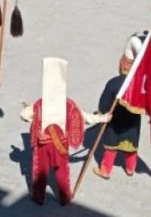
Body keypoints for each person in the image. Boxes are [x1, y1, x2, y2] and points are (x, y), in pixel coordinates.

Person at [20, 57, 106, 205]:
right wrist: (103, 118)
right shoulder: (69, 104)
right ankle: (65, 196)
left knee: (40, 170)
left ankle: (39, 197)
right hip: (61, 143)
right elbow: (86, 117)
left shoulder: (40, 103)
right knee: (62, 171)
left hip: (43, 145)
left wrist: (28, 115)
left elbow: (24, 115)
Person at [94, 35, 146, 178]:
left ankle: (105, 170)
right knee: (131, 147)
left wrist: (101, 114)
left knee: (111, 147)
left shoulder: (113, 83)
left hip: (115, 122)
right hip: (132, 123)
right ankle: (130, 169)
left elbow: (104, 104)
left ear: (123, 66)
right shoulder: (139, 85)